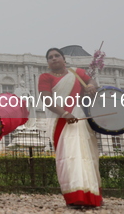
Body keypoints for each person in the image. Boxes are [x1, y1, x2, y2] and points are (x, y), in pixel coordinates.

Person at [38, 48, 101, 209]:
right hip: (61, 122)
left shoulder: (77, 73)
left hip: (80, 119)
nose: (54, 59)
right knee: (69, 158)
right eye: (50, 57)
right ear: (47, 63)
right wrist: (64, 113)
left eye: (57, 55)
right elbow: (46, 99)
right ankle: (76, 196)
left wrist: (91, 87)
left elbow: (92, 82)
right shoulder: (45, 77)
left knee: (87, 156)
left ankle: (92, 196)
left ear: (64, 59)